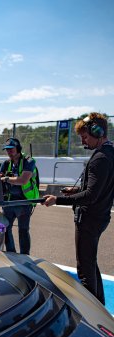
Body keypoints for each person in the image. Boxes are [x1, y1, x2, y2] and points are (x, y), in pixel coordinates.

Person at [43, 112, 114, 305]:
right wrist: (77, 189)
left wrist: (56, 200)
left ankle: (93, 314)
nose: (83, 141)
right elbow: (100, 187)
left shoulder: (100, 158)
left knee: (84, 270)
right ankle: (100, 304)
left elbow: (91, 196)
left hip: (89, 219)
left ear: (97, 132)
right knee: (90, 262)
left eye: (85, 137)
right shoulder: (110, 152)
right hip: (100, 217)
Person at [0, 137, 39, 254]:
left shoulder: (29, 161)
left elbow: (23, 180)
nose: (9, 152)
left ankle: (25, 257)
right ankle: (11, 252)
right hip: (8, 202)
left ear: (18, 148)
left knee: (23, 230)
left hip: (24, 202)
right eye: (7, 149)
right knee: (5, 229)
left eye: (11, 149)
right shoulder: (6, 163)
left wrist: (6, 178)